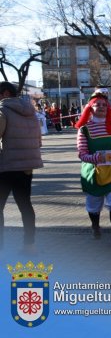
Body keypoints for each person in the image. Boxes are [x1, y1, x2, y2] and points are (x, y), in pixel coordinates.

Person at [75, 92, 111, 250]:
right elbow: (82, 154)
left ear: (108, 108)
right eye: (97, 104)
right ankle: (95, 226)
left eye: (104, 104)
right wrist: (96, 158)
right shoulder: (84, 129)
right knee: (94, 205)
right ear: (90, 107)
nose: (101, 107)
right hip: (92, 173)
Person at [0, 82, 43, 253]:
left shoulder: (2, 109)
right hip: (26, 166)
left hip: (5, 166)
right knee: (25, 205)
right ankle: (29, 245)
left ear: (4, 93)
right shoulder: (30, 111)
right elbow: (39, 139)